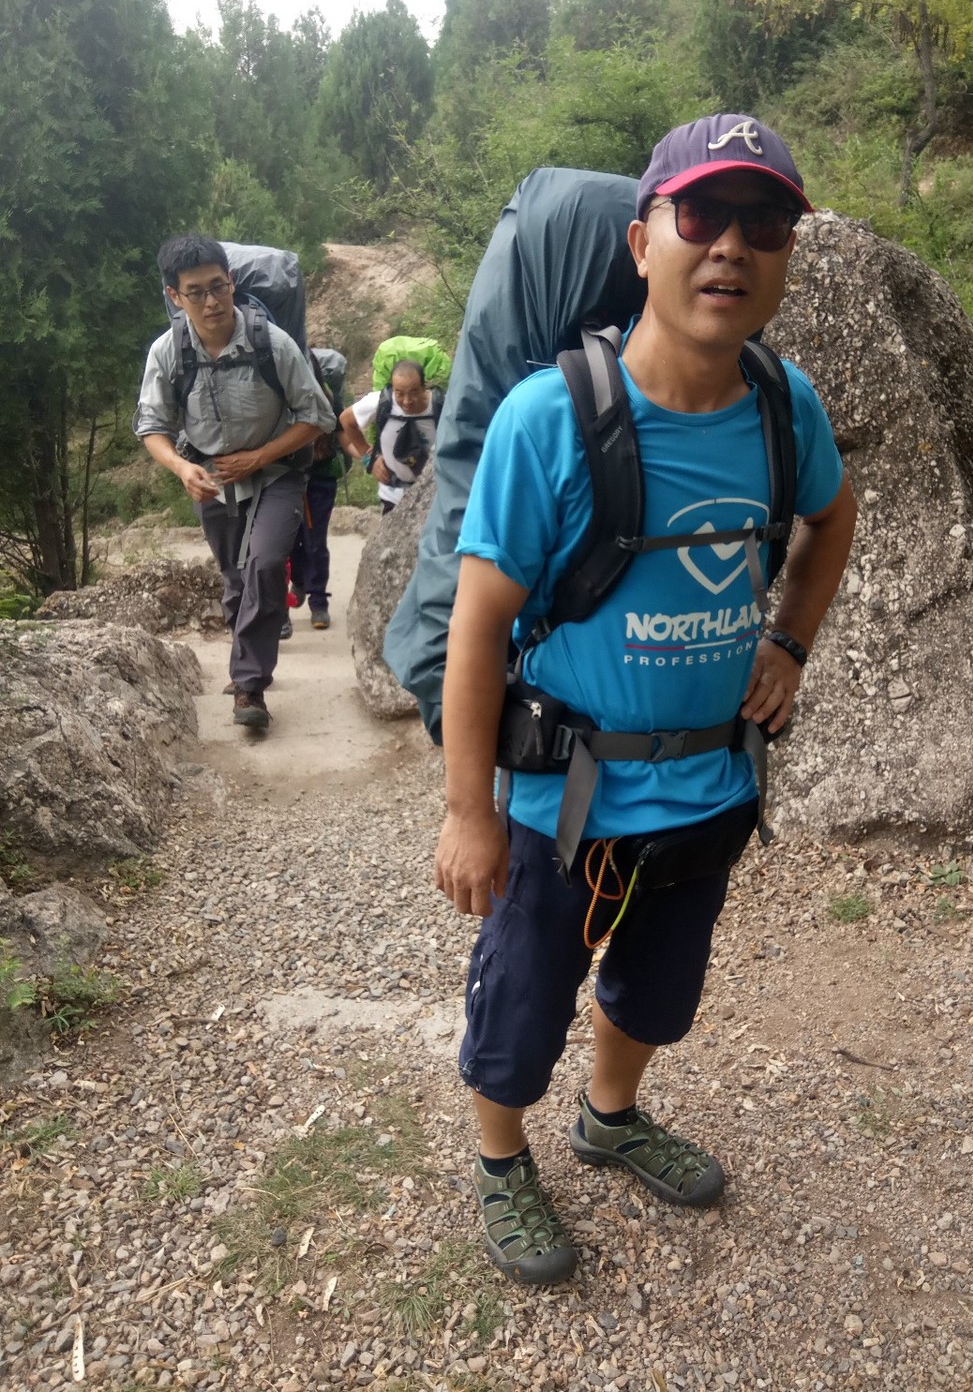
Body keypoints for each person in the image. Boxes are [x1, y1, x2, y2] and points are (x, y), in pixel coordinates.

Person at [433, 114, 858, 1285]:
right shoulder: (548, 421)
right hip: (557, 803)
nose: (732, 245)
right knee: (522, 1004)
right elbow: (477, 628)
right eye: (703, 216)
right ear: (643, 242)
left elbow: (832, 515)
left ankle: (610, 1121)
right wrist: (469, 810)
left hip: (708, 786)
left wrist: (791, 644)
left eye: (764, 223)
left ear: (783, 256)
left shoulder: (785, 406)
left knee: (659, 992)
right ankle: (502, 1158)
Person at [134, 235, 336, 728]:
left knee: (266, 565)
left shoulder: (271, 341)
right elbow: (151, 427)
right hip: (212, 479)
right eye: (196, 292)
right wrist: (183, 468)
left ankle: (249, 686)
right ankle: (245, 651)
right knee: (236, 576)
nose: (211, 302)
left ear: (232, 282)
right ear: (174, 296)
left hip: (278, 473)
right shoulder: (168, 352)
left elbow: (318, 416)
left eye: (219, 287)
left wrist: (261, 456)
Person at [285, 347, 350, 631]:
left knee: (315, 540)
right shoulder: (277, 388)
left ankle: (319, 602)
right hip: (285, 475)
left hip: (321, 474)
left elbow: (339, 424)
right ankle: (298, 582)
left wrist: (365, 455)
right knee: (286, 541)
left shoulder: (324, 390)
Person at [339, 359, 442, 515]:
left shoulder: (441, 406)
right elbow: (346, 420)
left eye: (413, 392)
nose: (406, 401)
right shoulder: (382, 403)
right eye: (399, 393)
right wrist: (369, 459)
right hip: (392, 497)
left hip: (435, 498)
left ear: (424, 387)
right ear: (393, 389)